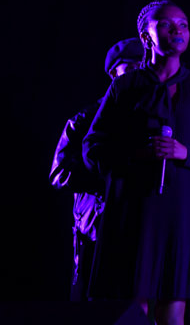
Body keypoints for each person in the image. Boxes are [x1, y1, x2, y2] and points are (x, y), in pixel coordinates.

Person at [83, 0, 190, 325]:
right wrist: (136, 154)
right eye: (166, 24)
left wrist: (185, 153)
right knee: (133, 310)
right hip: (135, 212)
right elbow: (92, 148)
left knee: (173, 310)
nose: (177, 30)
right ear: (146, 36)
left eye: (183, 24)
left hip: (183, 214)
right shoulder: (125, 87)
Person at [50, 37, 144, 301]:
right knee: (93, 305)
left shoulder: (154, 117)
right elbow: (59, 173)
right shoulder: (86, 118)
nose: (140, 73)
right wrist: (109, 179)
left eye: (144, 67)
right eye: (132, 67)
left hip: (138, 230)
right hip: (95, 229)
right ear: (115, 73)